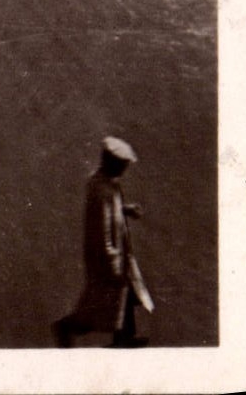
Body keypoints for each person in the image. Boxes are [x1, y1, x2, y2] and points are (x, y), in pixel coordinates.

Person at [54, 137, 153, 348]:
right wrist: (112, 259)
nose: (125, 170)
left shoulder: (105, 185)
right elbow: (103, 229)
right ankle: (67, 327)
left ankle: (124, 337)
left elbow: (111, 212)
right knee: (100, 307)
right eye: (123, 165)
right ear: (113, 163)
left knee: (121, 297)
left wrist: (126, 209)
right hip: (108, 260)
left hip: (114, 256)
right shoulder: (102, 191)